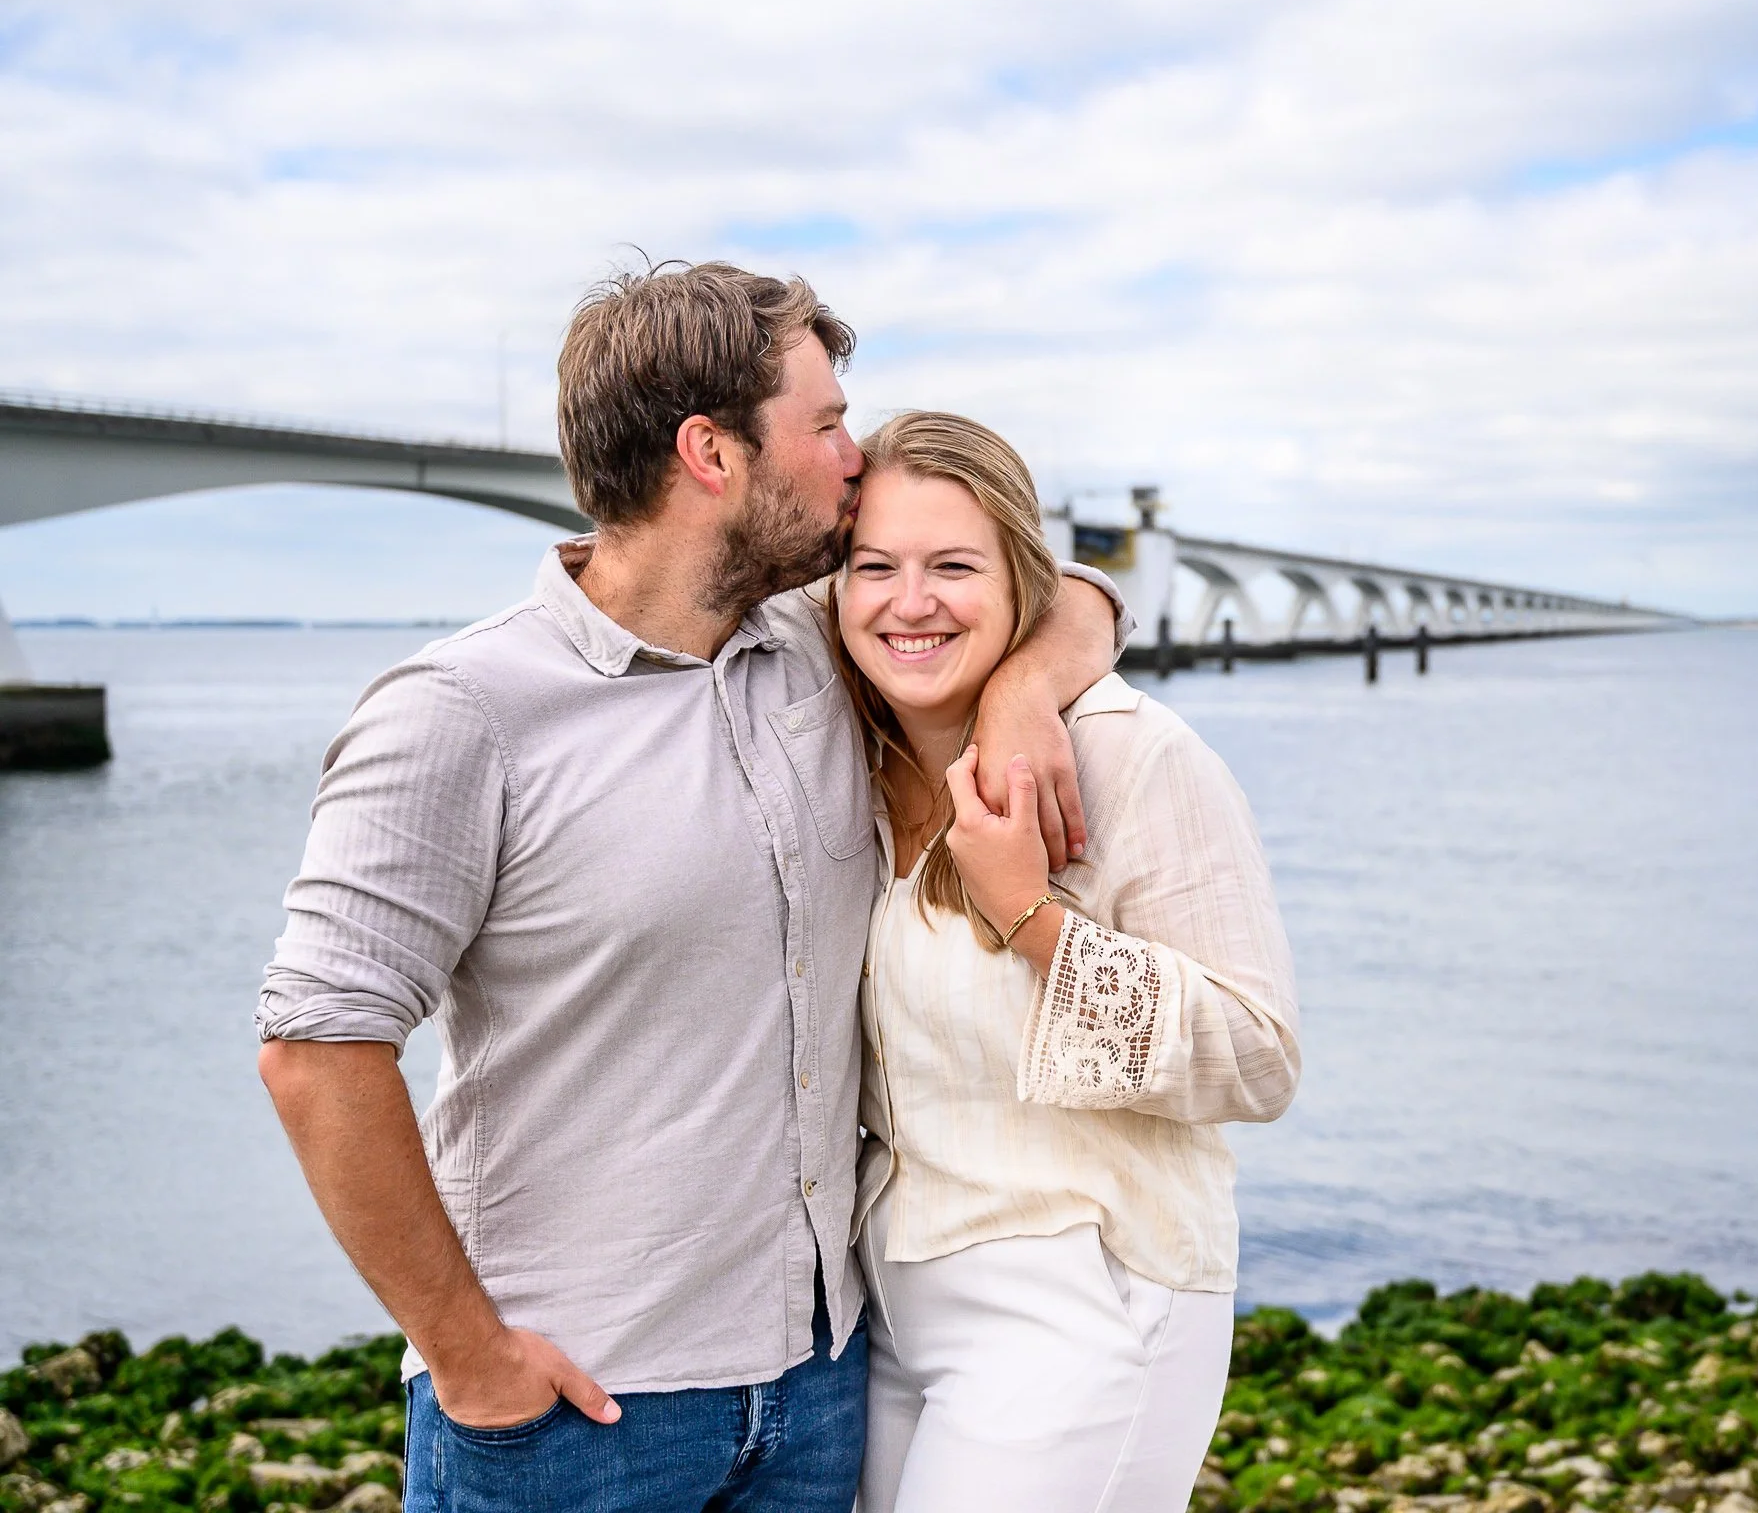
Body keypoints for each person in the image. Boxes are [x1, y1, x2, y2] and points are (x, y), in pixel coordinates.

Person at [253, 264, 1126, 1513]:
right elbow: (315, 1051)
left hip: (819, 1387)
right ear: (711, 452)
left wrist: (1024, 691)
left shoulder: (822, 646)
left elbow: (1078, 595)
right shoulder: (460, 714)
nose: (855, 457)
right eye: (825, 424)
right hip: (574, 1414)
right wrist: (471, 1358)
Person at [829, 411, 1301, 1513]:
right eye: (873, 566)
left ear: (1021, 580)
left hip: (1087, 1304)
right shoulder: (838, 754)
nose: (909, 601)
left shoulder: (1132, 755)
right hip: (892, 1313)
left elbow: (1258, 1055)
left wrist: (1030, 916)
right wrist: (1017, 682)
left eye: (954, 565)